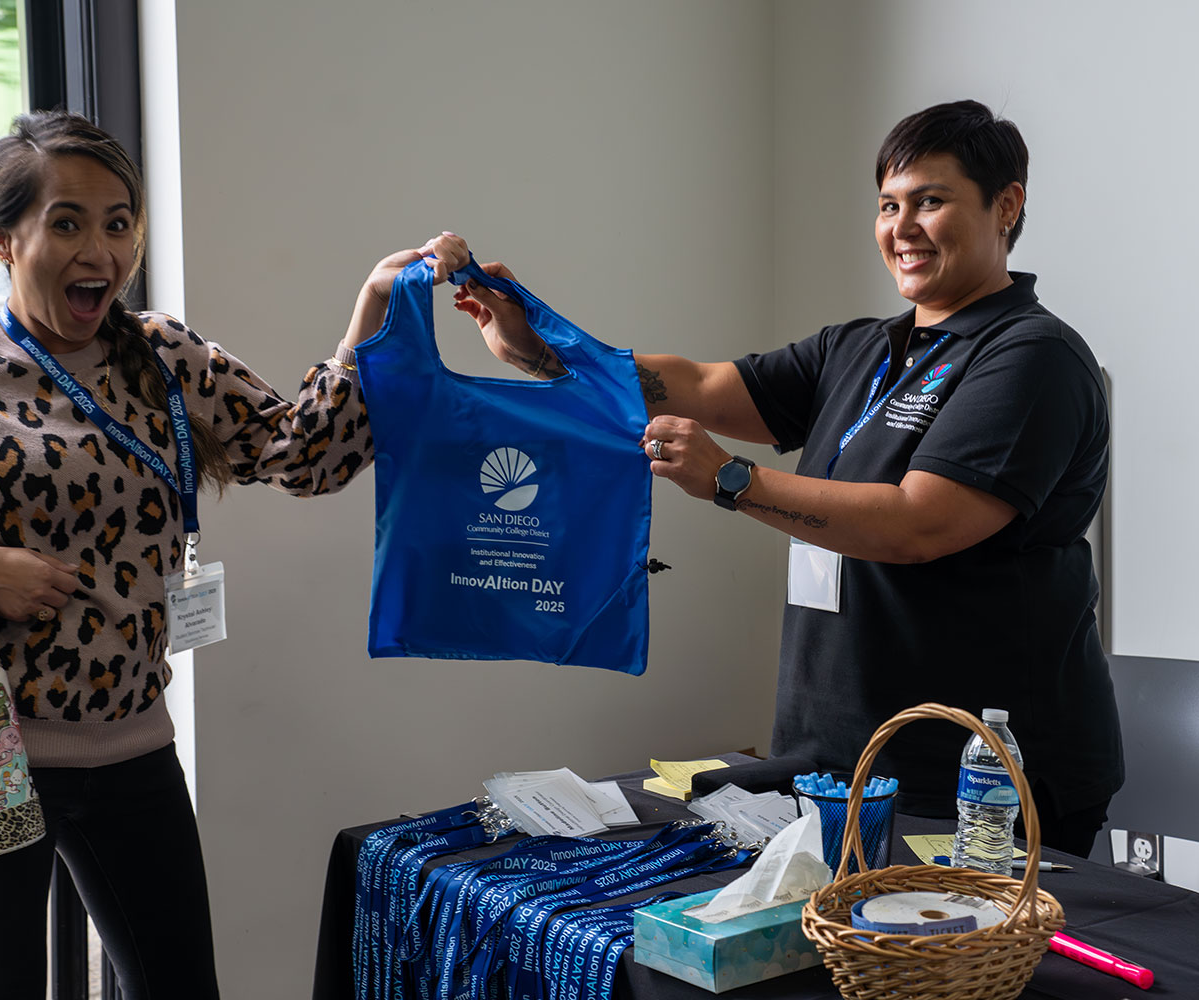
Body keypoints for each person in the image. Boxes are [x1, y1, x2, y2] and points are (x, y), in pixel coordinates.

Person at [0, 109, 470, 998]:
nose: (100, 250)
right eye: (67, 222)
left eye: (118, 223)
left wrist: (371, 316)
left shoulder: (160, 354)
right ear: (4, 238)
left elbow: (306, 457)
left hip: (132, 750)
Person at [455, 99, 1121, 857]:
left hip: (976, 778)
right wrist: (538, 348)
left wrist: (733, 482)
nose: (900, 228)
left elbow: (919, 525)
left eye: (930, 202)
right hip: (835, 760)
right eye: (887, 205)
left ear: (1007, 206)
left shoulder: (1031, 356)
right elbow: (703, 385)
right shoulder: (862, 349)